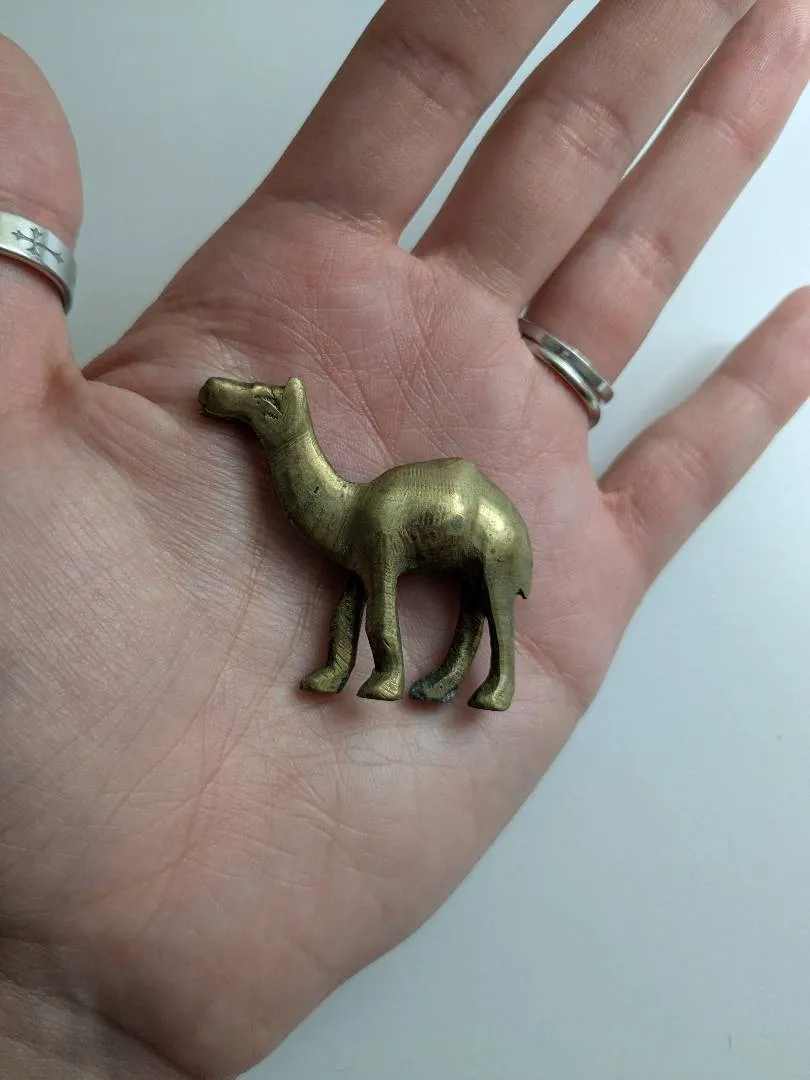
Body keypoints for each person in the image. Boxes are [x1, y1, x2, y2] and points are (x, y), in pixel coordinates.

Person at [0, 2, 807, 1076]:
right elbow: (351, 568)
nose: (248, 410)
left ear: (289, 423)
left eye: (265, 410)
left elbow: (376, 582)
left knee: (456, 606)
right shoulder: (352, 505)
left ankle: (444, 672)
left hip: (475, 524)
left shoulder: (375, 511)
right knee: (369, 574)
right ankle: (390, 666)